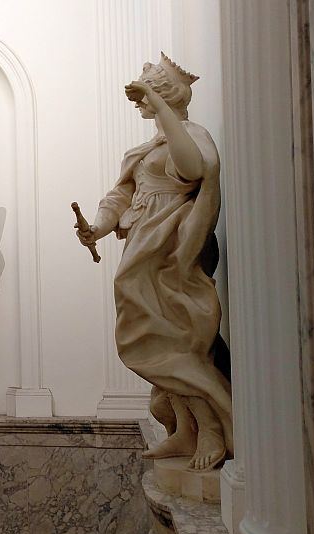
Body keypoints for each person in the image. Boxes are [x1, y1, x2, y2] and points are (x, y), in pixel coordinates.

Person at [76, 53, 233, 471]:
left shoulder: (191, 136)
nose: (139, 102)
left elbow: (193, 168)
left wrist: (163, 109)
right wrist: (98, 227)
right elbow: (120, 196)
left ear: (165, 96)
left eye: (146, 94)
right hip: (142, 247)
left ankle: (211, 427)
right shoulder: (144, 149)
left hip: (172, 251)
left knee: (174, 341)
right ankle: (184, 429)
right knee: (150, 340)